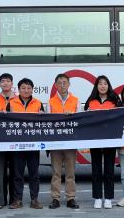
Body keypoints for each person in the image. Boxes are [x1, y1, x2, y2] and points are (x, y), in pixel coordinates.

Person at [84, 75, 121, 209]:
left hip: (110, 140)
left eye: (105, 83)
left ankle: (109, 198)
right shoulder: (91, 101)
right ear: (96, 86)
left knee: (109, 169)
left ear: (108, 85)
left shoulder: (115, 100)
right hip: (95, 140)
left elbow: (121, 117)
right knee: (96, 169)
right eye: (100, 84)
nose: (103, 86)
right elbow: (85, 119)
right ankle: (98, 197)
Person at [6, 78, 44, 210]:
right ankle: (17, 200)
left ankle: (35, 200)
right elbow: (6, 123)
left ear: (32, 89)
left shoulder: (38, 103)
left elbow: (44, 124)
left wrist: (42, 116)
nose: (26, 90)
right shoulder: (11, 103)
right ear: (19, 89)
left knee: (34, 174)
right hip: (17, 145)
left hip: (34, 145)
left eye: (28, 88)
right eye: (23, 88)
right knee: (17, 174)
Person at [48, 74, 80, 209]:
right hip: (56, 142)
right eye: (59, 83)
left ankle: (70, 198)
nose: (62, 85)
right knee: (56, 172)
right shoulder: (50, 101)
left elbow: (80, 121)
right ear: (55, 85)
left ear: (69, 84)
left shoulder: (75, 100)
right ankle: (55, 198)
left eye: (64, 83)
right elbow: (48, 122)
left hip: (71, 141)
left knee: (70, 172)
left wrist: (71, 117)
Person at [0, 73, 16, 206]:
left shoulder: (18, 99)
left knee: (14, 172)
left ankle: (14, 200)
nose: (5, 83)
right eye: (3, 81)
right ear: (0, 84)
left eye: (7, 81)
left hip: (14, 141)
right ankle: (1, 199)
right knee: (0, 173)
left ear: (12, 83)